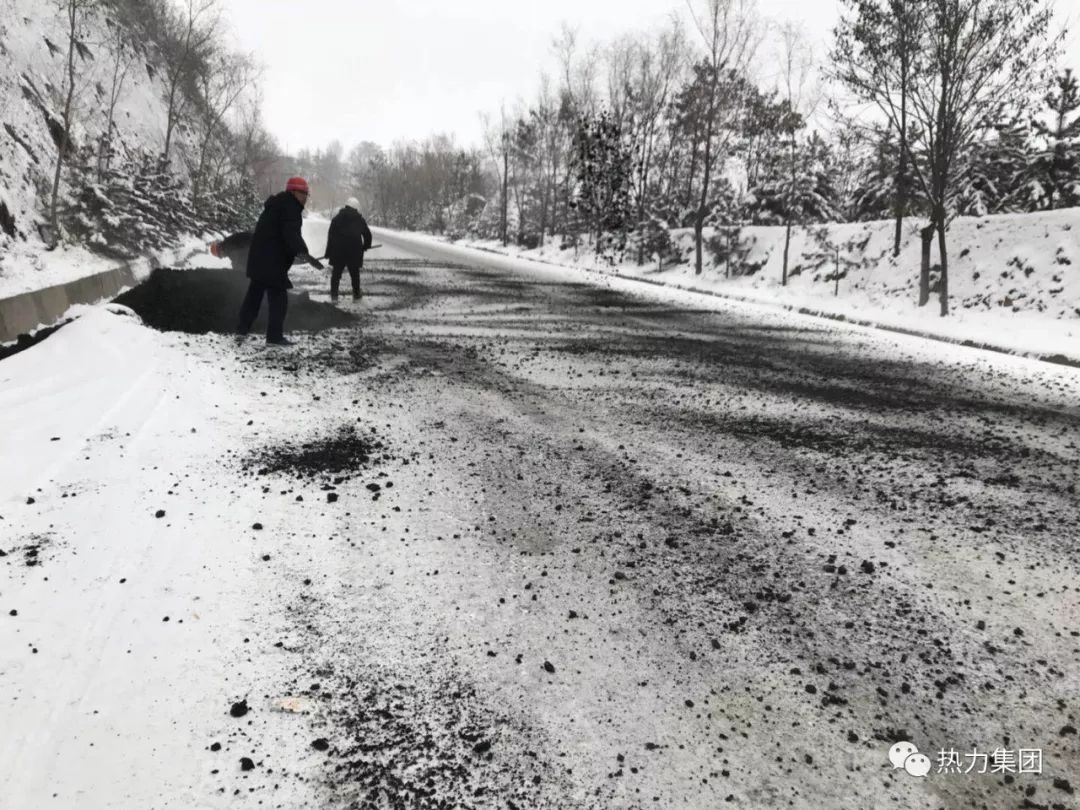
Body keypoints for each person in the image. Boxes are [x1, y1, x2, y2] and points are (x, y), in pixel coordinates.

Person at [237, 177, 324, 345]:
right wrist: (304, 253)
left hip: (260, 257)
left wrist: (296, 253)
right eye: (303, 193)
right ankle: (274, 337)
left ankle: (242, 329)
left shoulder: (276, 205)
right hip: (271, 262)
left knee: (254, 296)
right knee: (279, 300)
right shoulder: (290, 207)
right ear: (293, 192)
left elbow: (279, 234)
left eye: (307, 194)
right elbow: (291, 234)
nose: (305, 197)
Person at [325, 197, 372, 302]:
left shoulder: (336, 219)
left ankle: (334, 296)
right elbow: (368, 235)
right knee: (355, 274)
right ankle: (356, 294)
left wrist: (328, 252)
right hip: (354, 252)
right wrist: (366, 246)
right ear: (356, 207)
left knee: (336, 274)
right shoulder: (359, 219)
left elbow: (331, 236)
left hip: (338, 252)